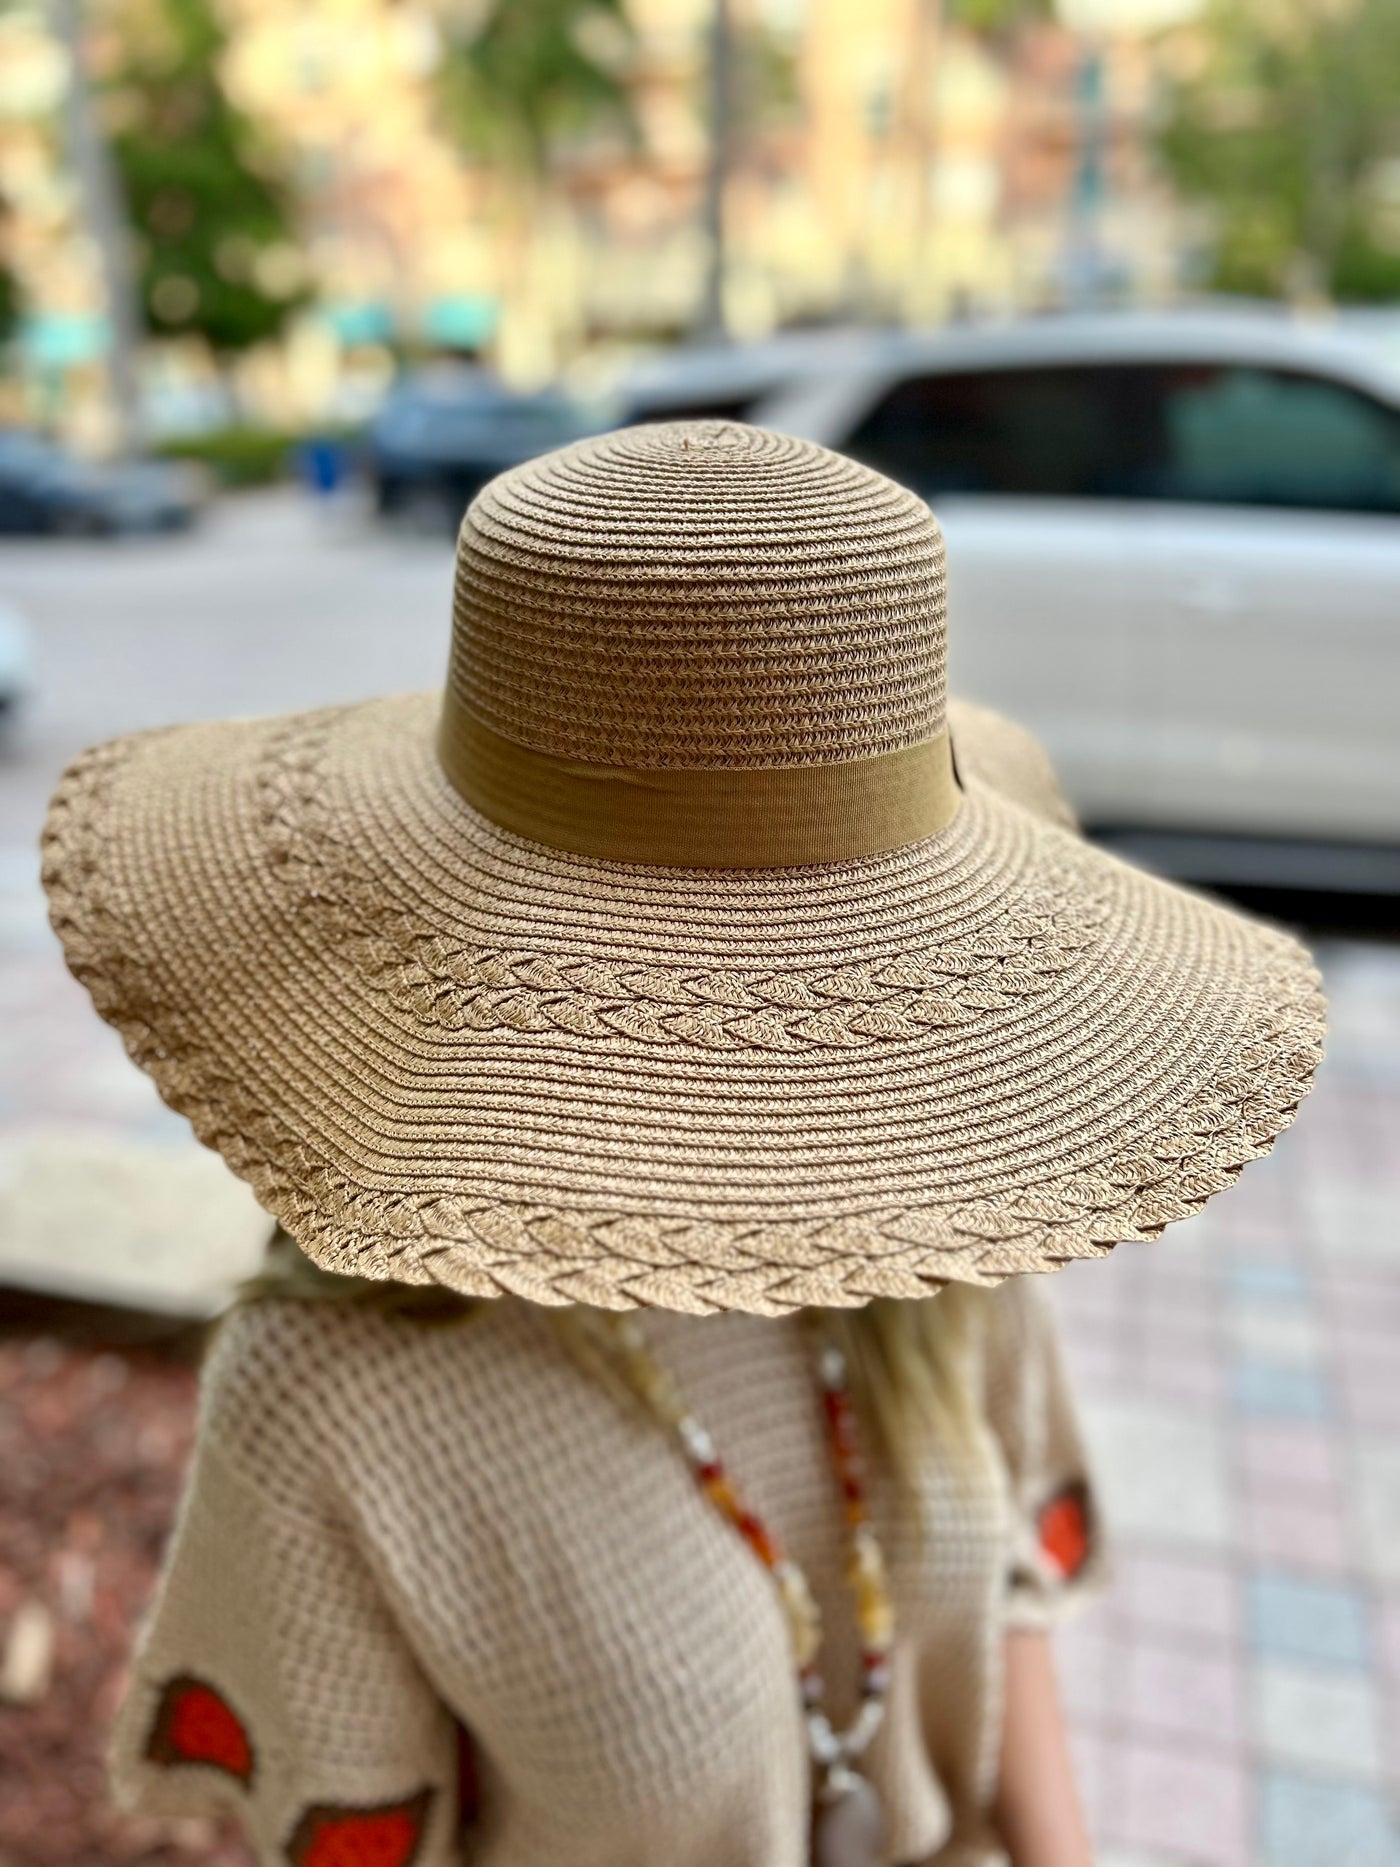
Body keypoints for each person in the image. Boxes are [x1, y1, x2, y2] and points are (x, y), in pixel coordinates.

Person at [42, 421, 1325, 1867]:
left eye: (818, 973)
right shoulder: (339, 1396)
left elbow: (1012, 1615)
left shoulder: (937, 1215)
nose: (771, 1055)